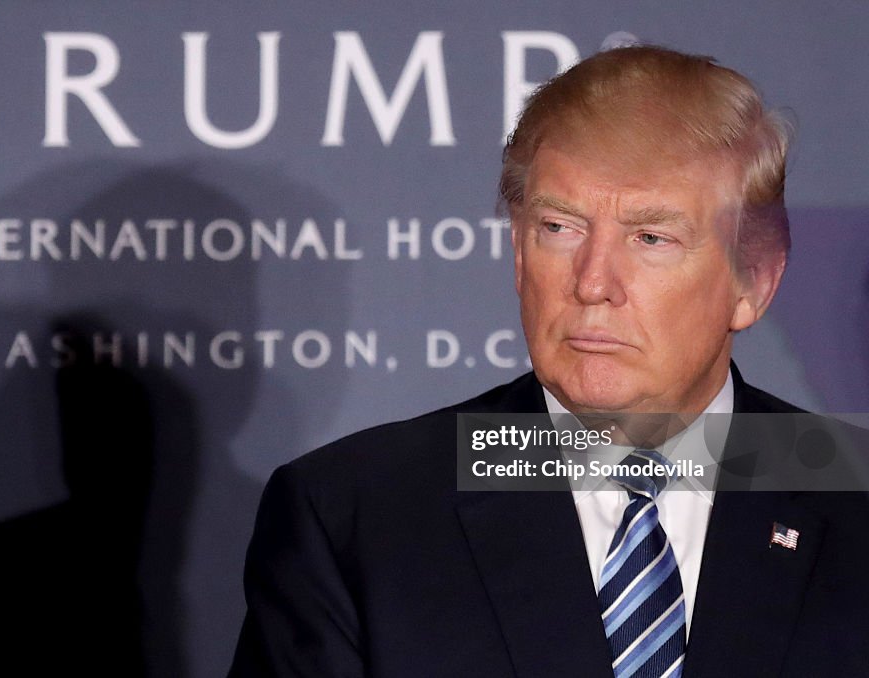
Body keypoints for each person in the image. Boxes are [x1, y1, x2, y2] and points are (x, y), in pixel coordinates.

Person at [228, 45, 869, 677]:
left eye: (651, 238)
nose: (592, 282)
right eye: (559, 228)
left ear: (753, 281)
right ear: (517, 251)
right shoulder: (355, 517)